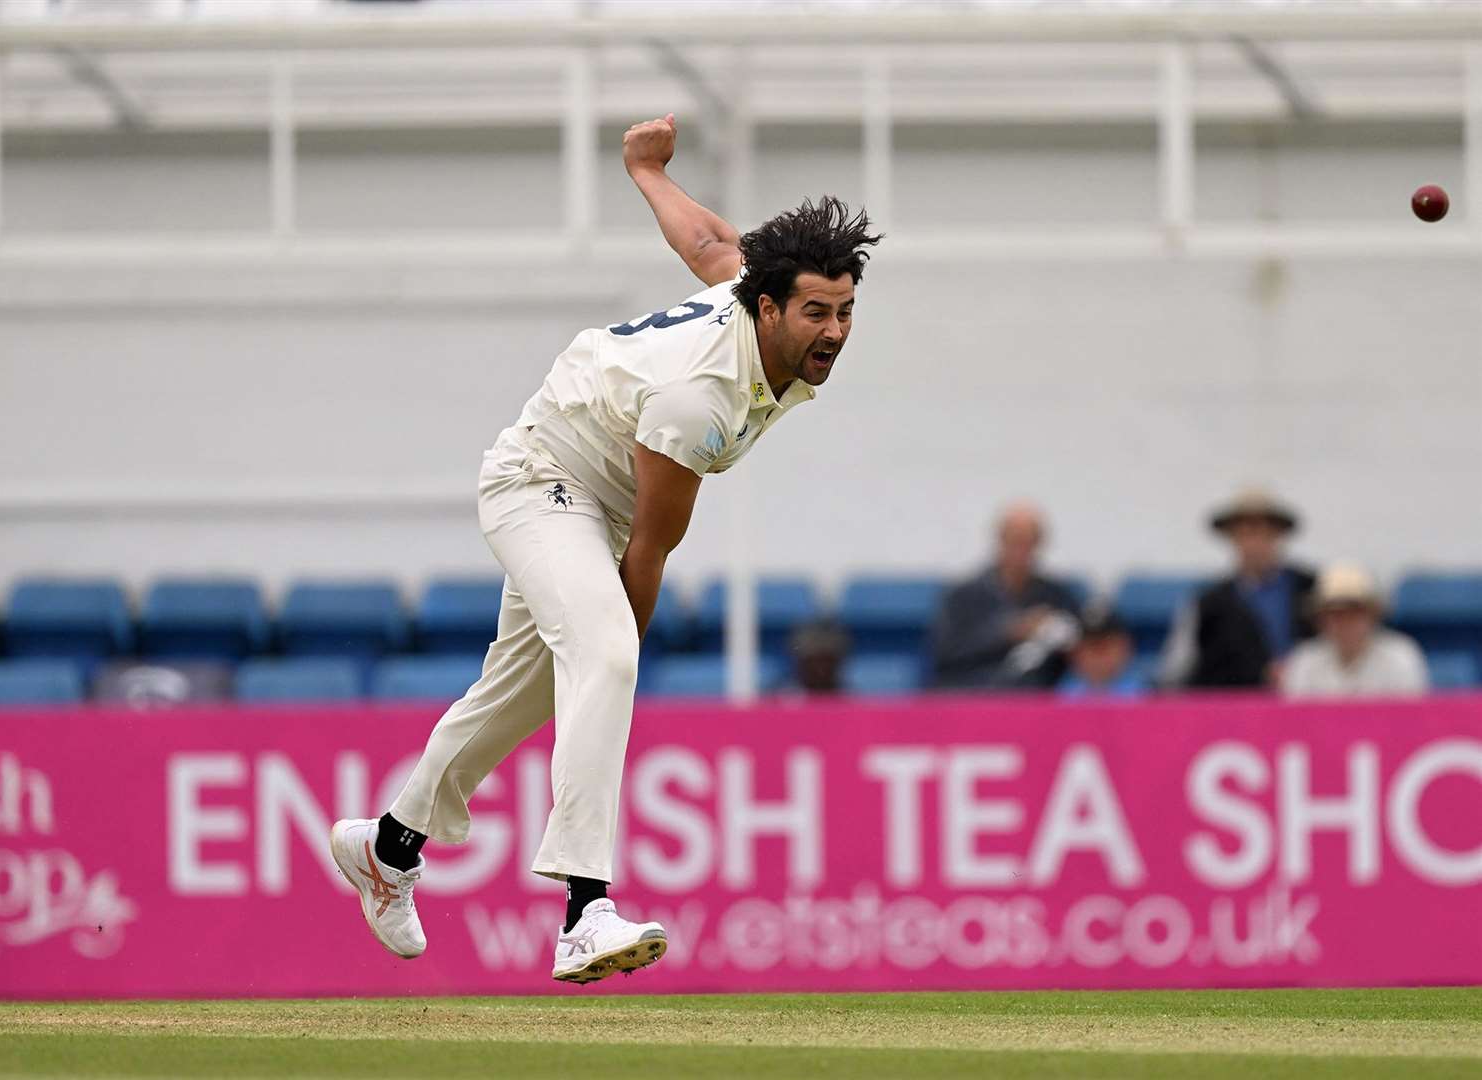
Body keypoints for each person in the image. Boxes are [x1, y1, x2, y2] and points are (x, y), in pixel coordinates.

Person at [329, 113, 881, 985]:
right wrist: (616, 653)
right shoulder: (700, 395)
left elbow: (709, 241)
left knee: (516, 697)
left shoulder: (754, 289)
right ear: (769, 307)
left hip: (596, 505)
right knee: (605, 653)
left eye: (846, 311)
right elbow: (652, 550)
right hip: (541, 482)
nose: (836, 330)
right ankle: (586, 910)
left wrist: (646, 169)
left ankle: (387, 848)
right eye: (817, 312)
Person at [1159, 488, 1317, 690]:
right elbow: (1176, 672)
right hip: (1236, 711)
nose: (1254, 543)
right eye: (1245, 533)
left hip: (1308, 705)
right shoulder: (1207, 605)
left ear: (1278, 535)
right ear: (1232, 538)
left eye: (1263, 532)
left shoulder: (1313, 590)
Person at [931, 502, 1081, 689]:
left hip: (1034, 695)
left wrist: (1056, 635)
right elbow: (945, 652)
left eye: (1028, 542)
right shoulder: (963, 596)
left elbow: (1075, 648)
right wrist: (1010, 631)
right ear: (1000, 540)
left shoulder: (1056, 595)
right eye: (1014, 541)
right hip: (971, 692)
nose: (1021, 550)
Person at [1282, 563, 1429, 698]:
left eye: (1354, 613)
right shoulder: (1304, 661)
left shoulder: (1401, 657)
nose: (1345, 623)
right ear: (1321, 620)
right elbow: (1297, 721)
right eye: (1336, 615)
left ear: (1373, 616)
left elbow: (1412, 719)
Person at [1058, 607, 1148, 699]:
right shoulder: (1056, 695)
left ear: (1126, 647)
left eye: (1105, 647)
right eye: (1091, 647)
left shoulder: (1149, 694)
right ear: (1073, 652)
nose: (1098, 657)